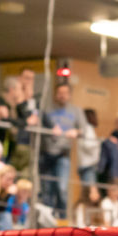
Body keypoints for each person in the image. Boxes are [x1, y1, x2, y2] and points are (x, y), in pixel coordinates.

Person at [39, 82, 86, 216]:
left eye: (65, 93)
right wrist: (49, 130)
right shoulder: (47, 109)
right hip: (46, 154)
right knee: (47, 189)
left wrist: (76, 132)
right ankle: (46, 222)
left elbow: (84, 130)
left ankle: (62, 221)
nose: (62, 96)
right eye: (60, 93)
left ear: (70, 95)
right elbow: (38, 125)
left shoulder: (76, 110)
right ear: (55, 94)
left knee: (62, 188)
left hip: (63, 154)